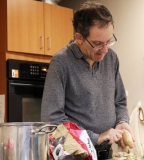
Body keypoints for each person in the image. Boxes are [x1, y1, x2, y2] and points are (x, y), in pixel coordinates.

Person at [41, 1, 135, 159]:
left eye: (109, 41)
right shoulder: (61, 62)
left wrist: (122, 121)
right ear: (79, 38)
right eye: (98, 44)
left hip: (106, 153)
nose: (105, 50)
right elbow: (52, 119)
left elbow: (119, 101)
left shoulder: (111, 58)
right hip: (75, 155)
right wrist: (95, 138)